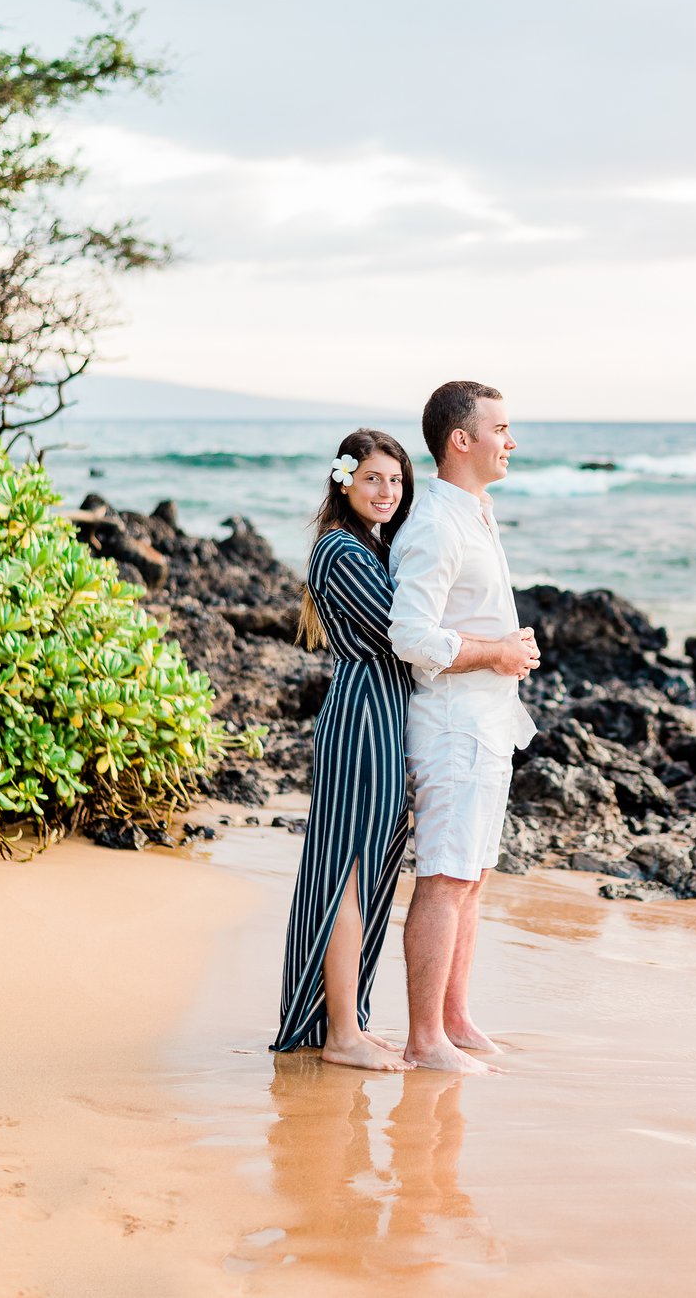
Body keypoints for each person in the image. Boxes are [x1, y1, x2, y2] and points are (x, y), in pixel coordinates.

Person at [388, 381, 540, 1074]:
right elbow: (411, 636)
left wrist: (506, 652)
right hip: (450, 727)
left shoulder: (476, 513)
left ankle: (455, 1017)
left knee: (472, 876)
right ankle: (424, 1040)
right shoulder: (434, 525)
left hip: (488, 722)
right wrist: (497, 652)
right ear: (462, 440)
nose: (511, 441)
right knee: (444, 878)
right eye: (501, 429)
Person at [271, 429, 416, 1071]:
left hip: (383, 715)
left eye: (396, 480)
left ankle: (345, 1017)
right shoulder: (339, 550)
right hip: (361, 717)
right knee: (347, 876)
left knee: (369, 872)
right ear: (344, 482)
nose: (386, 492)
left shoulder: (368, 545)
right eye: (373, 479)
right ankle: (340, 1036)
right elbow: (405, 633)